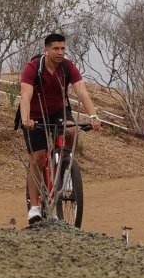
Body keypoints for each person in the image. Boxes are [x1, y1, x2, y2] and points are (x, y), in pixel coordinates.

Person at [19, 33, 101, 224]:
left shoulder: (67, 67)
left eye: (63, 48)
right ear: (46, 50)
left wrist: (93, 116)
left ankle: (62, 166)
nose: (60, 52)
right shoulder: (33, 68)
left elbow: (81, 91)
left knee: (71, 130)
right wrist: (26, 120)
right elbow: (25, 95)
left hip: (59, 111)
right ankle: (35, 207)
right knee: (37, 159)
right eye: (56, 49)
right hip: (34, 115)